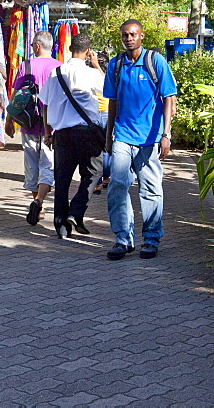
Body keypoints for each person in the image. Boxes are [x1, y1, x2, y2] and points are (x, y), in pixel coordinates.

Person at [102, 19, 178, 260]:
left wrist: (166, 135)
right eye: (125, 35)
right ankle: (123, 239)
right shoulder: (116, 65)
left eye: (133, 34)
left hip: (150, 138)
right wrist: (108, 136)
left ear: (141, 36)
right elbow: (112, 102)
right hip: (123, 135)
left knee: (151, 189)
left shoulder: (155, 62)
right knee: (118, 185)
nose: (129, 38)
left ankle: (152, 239)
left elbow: (169, 99)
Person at [37, 33, 105, 239]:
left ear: (69, 49)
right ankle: (76, 212)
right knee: (94, 173)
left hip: (62, 134)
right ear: (87, 52)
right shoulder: (91, 73)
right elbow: (108, 91)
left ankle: (61, 225)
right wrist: (96, 65)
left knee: (62, 179)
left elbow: (45, 105)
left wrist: (48, 134)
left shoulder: (55, 73)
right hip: (86, 133)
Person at [5, 30, 60, 226]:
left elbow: (16, 96)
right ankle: (40, 201)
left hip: (28, 124)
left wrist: (9, 120)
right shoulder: (59, 67)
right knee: (49, 166)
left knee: (32, 166)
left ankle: (38, 203)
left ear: (37, 46)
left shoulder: (25, 65)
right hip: (52, 126)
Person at [92, 50, 112, 195]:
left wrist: (95, 66)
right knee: (105, 149)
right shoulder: (106, 75)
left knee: (97, 150)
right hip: (102, 114)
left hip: (98, 115)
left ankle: (99, 181)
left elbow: (106, 86)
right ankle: (104, 179)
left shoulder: (96, 74)